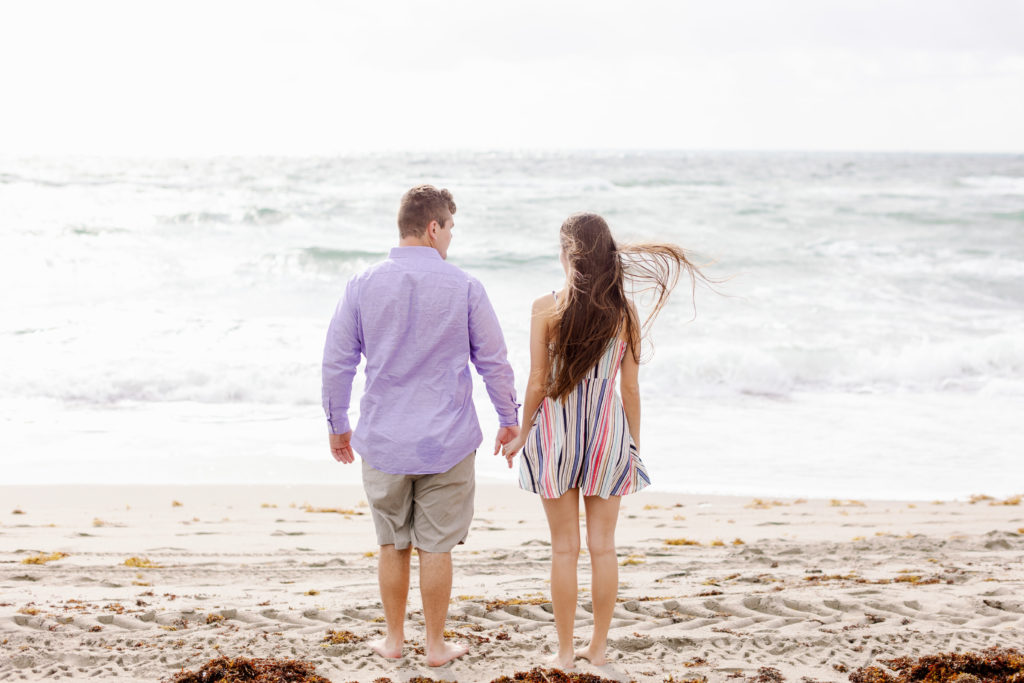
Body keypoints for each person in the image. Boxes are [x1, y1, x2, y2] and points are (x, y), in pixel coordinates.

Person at [500, 212, 709, 670]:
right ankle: (597, 647)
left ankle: (564, 652)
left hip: (556, 434)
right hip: (607, 436)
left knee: (563, 549)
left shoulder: (546, 308)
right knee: (603, 547)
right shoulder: (624, 312)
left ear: (567, 255)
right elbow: (630, 389)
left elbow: (537, 380)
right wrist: (632, 445)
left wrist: (522, 433)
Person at [321, 185, 520, 667]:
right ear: (433, 227)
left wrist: (338, 423)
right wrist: (508, 419)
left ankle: (393, 641)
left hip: (384, 439)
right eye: (450, 227)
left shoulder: (362, 284)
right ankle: (434, 646)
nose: (451, 238)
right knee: (436, 546)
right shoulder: (466, 287)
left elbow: (337, 362)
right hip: (446, 442)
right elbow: (493, 361)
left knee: (392, 543)